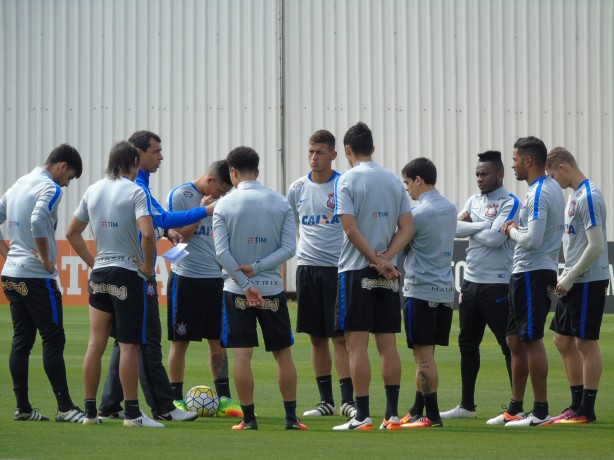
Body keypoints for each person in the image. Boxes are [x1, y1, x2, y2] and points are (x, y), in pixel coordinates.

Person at [97, 130, 208, 422]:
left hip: (107, 269)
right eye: (155, 152)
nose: (161, 157)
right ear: (137, 154)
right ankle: (164, 407)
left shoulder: (125, 187)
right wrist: (204, 210)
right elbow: (159, 221)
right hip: (134, 273)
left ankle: (108, 405)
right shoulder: (137, 188)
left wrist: (166, 231)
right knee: (146, 339)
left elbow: (158, 222)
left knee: (124, 340)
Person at [66, 141, 164, 427]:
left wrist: (93, 262)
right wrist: (146, 267)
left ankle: (89, 413)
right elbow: (147, 234)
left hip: (100, 273)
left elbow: (72, 233)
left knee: (95, 344)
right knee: (129, 345)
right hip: (126, 273)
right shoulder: (135, 191)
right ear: (134, 163)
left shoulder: (93, 190)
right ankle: (132, 414)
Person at [213, 146, 305, 431]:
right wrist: (260, 267)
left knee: (242, 355)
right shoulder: (279, 202)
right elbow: (290, 248)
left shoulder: (224, 205)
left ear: (233, 172)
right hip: (272, 289)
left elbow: (221, 253)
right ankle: (291, 419)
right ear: (258, 170)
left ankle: (249, 419)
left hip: (237, 291)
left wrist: (245, 282)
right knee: (283, 353)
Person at [331, 122, 413, 432]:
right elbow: (407, 227)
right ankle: (391, 415)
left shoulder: (346, 181)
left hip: (355, 270)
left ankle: (362, 415)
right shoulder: (393, 181)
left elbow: (350, 229)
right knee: (387, 345)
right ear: (373, 149)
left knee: (356, 345)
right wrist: (386, 258)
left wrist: (374, 258)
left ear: (348, 151)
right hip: (388, 271)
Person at [0, 144, 85, 423]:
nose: (67, 183)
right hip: (36, 276)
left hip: (12, 274)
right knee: (53, 338)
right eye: (70, 176)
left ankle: (23, 407)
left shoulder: (17, 185)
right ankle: (64, 407)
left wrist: (8, 253)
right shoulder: (50, 188)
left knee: (22, 340)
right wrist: (47, 258)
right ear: (62, 166)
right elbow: (38, 219)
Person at [440, 151, 518, 419]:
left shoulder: (510, 202)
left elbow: (497, 240)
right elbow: (454, 228)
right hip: (470, 284)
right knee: (467, 344)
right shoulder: (473, 200)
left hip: (497, 284)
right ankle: (466, 406)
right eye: (477, 174)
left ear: (500, 174)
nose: (480, 179)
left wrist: (476, 225)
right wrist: (485, 226)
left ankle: (515, 407)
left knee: (508, 345)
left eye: (484, 174)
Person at [495, 136, 565, 427]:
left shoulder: (539, 193)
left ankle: (540, 411)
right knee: (514, 339)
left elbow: (534, 240)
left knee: (531, 339)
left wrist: (509, 230)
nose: (512, 166)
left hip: (533, 273)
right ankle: (515, 407)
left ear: (527, 161)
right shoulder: (548, 188)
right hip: (526, 272)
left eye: (514, 160)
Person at [287, 130, 356, 419]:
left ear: (333, 155)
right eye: (311, 151)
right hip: (307, 269)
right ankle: (325, 401)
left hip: (338, 270)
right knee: (316, 338)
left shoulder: (343, 185)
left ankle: (348, 401)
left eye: (320, 152)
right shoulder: (297, 188)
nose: (314, 157)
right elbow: (289, 227)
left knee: (340, 338)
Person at [165, 160, 243, 417]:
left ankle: (224, 399)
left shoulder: (226, 201)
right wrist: (200, 213)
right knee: (180, 341)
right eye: (221, 190)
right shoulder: (181, 195)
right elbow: (176, 239)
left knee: (219, 342)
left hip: (217, 280)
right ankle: (175, 399)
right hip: (186, 278)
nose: (223, 196)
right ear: (210, 181)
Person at [544, 147, 609, 425]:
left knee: (585, 341)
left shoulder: (589, 195)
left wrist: (569, 277)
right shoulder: (575, 195)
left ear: (563, 168)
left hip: (588, 279)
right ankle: (576, 403)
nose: (553, 181)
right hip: (573, 279)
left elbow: (596, 245)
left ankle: (587, 409)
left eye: (552, 175)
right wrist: (566, 274)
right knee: (562, 340)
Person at [398, 158, 457, 429]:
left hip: (420, 290)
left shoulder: (418, 214)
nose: (407, 189)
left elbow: (399, 243)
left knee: (422, 357)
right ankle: (417, 408)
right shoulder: (450, 207)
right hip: (444, 291)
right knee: (428, 354)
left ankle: (431, 416)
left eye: (408, 183)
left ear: (419, 180)